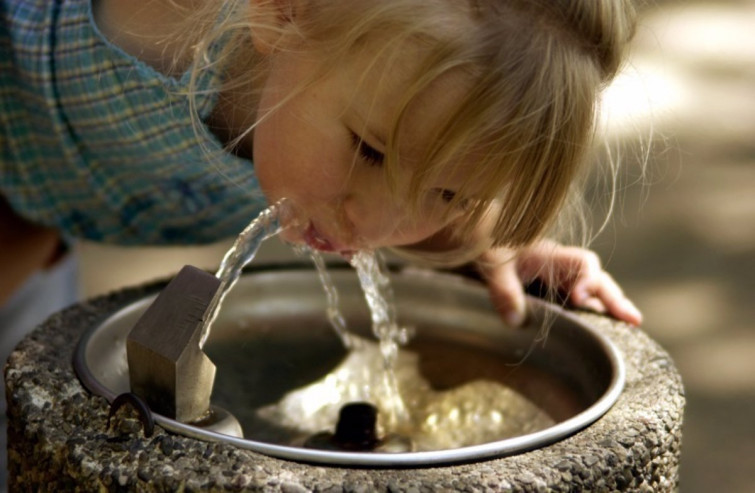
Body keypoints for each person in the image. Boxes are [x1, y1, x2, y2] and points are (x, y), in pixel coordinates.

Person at [1, 0, 643, 334]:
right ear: (281, 11)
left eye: (448, 194)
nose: (376, 221)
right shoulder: (158, 21)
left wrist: (496, 250)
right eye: (370, 151)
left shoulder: (343, 77)